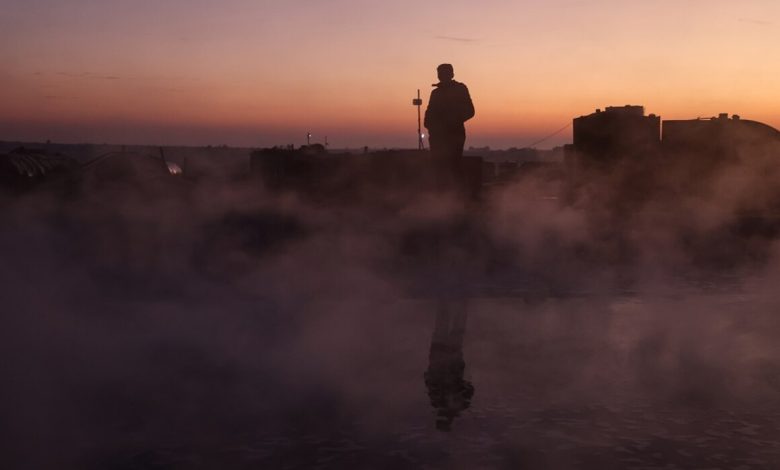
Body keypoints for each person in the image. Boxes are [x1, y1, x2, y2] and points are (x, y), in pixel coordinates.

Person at [424, 64, 475, 185]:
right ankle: (441, 193)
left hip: (454, 135)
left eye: (444, 73)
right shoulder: (435, 93)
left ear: (451, 74)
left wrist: (452, 121)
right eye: (440, 73)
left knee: (454, 166)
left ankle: (458, 193)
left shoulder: (460, 89)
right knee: (438, 168)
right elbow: (429, 114)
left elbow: (470, 111)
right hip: (437, 137)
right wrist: (431, 127)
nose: (441, 76)